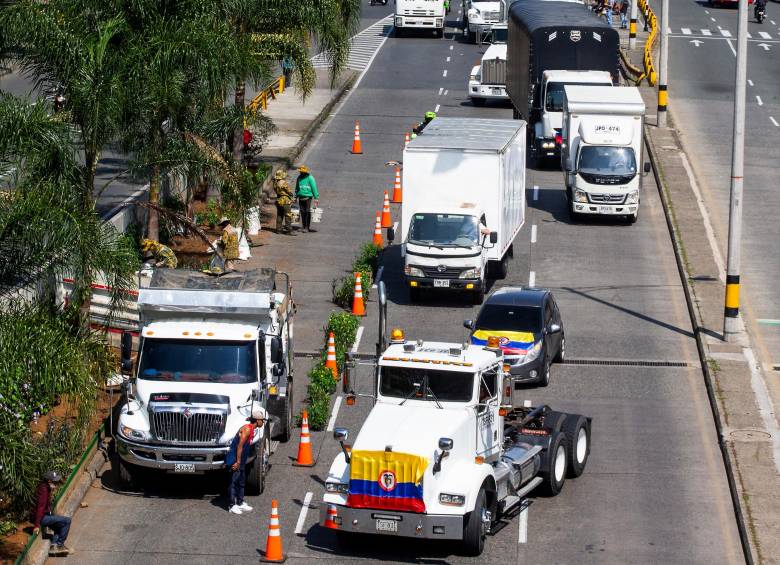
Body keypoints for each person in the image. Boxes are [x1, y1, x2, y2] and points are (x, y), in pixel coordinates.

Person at [226, 405, 267, 514]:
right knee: (234, 481)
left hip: (242, 458)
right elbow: (239, 446)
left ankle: (240, 502)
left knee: (242, 480)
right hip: (236, 457)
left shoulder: (252, 429)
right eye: (262, 420)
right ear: (257, 420)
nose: (263, 422)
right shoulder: (247, 429)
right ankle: (232, 505)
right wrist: (238, 461)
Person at [32, 471, 73, 557]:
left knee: (60, 524)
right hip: (42, 518)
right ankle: (59, 544)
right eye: (55, 481)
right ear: (49, 481)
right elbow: (40, 507)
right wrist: (37, 525)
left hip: (45, 516)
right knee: (67, 521)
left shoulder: (45, 487)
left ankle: (54, 547)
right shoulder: (43, 490)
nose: (56, 483)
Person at [295, 166, 319, 233]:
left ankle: (307, 227)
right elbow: (297, 188)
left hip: (308, 198)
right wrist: (295, 196)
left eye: (301, 172)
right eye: (300, 171)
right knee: (302, 212)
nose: (300, 173)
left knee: (307, 211)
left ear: (305, 172)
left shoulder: (310, 178)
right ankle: (303, 226)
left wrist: (316, 198)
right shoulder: (299, 178)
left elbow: (314, 188)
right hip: (301, 197)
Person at [273, 169, 296, 235]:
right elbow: (289, 191)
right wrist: (291, 195)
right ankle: (289, 230)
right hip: (285, 200)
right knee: (288, 215)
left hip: (278, 200)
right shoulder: (283, 182)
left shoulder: (275, 183)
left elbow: (275, 190)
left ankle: (278, 230)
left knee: (280, 215)